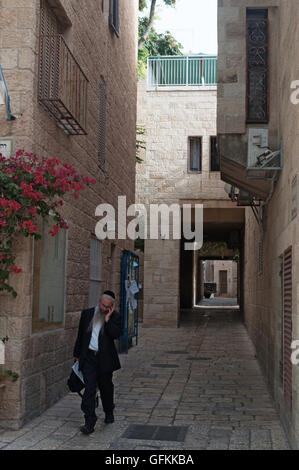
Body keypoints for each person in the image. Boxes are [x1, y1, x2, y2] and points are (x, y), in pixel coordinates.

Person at [73, 290, 122, 435]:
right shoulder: (87, 314)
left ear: (111, 307)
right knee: (89, 389)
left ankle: (108, 410)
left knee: (106, 388)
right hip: (89, 358)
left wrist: (107, 320)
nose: (103, 308)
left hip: (105, 359)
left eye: (107, 307)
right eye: (102, 305)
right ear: (99, 301)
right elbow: (80, 335)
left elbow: (116, 334)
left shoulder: (115, 317)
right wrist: (76, 354)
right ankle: (89, 421)